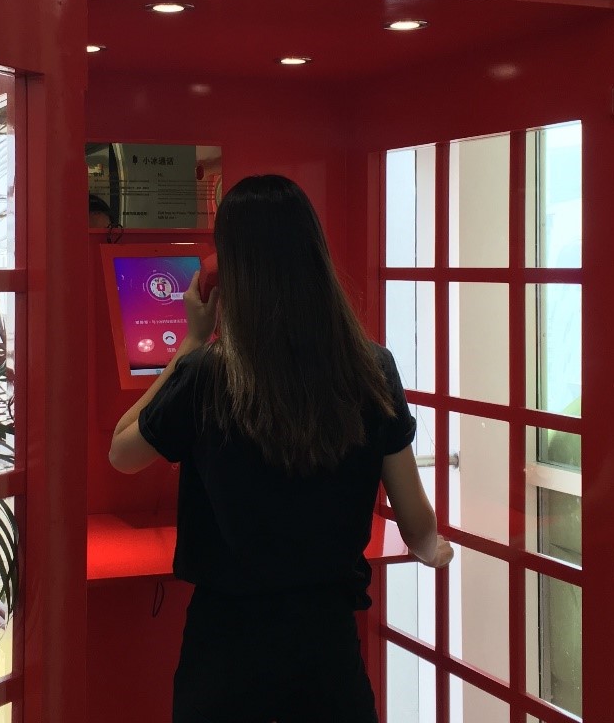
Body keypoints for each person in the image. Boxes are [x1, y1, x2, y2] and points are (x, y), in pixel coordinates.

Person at [109, 174, 453, 723]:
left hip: (224, 653)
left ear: (232, 271)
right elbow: (417, 525)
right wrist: (433, 548)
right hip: (327, 651)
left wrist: (191, 342)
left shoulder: (206, 375)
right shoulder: (371, 367)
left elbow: (122, 453)